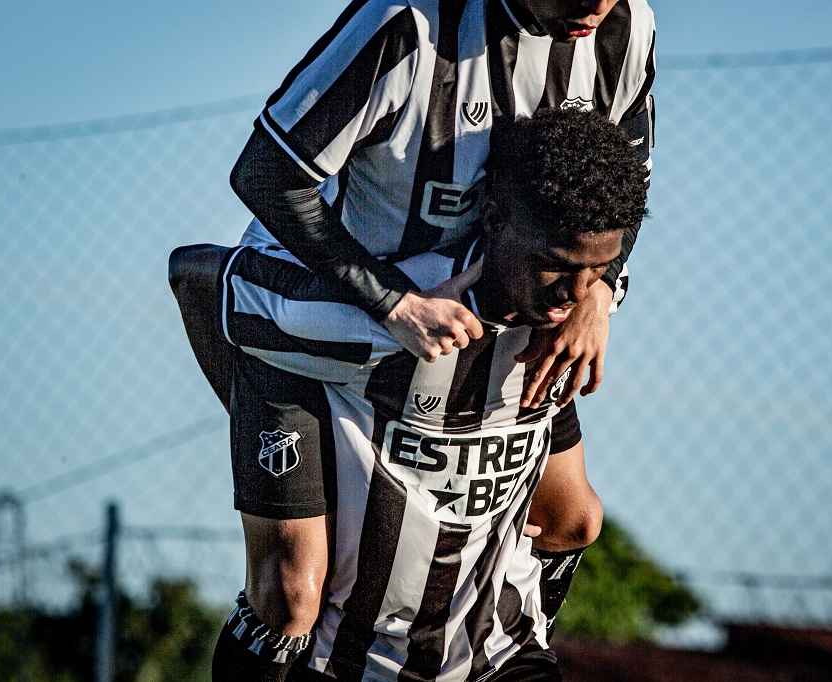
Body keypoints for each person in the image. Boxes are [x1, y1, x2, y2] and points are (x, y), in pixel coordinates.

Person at [171, 0, 656, 677]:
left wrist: (602, 291)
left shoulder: (626, 29)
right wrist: (387, 304)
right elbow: (259, 180)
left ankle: (521, 636)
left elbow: (630, 179)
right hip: (353, 312)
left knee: (573, 519)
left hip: (502, 319)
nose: (596, 5)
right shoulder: (405, 24)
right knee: (293, 591)